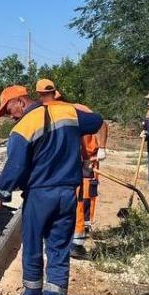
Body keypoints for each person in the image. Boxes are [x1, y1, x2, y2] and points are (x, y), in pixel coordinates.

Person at [0, 80, 105, 295]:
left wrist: (0, 193)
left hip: (40, 195)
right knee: (59, 249)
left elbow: (15, 166)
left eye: (9, 110)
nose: (9, 116)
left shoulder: (24, 127)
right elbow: (96, 120)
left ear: (20, 101)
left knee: (32, 244)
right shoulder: (67, 112)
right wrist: (69, 108)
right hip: (67, 194)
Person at [51, 88, 109, 260]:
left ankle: (78, 242)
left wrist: (102, 149)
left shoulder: (79, 110)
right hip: (76, 161)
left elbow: (102, 124)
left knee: (84, 199)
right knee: (75, 200)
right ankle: (73, 238)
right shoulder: (57, 114)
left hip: (88, 160)